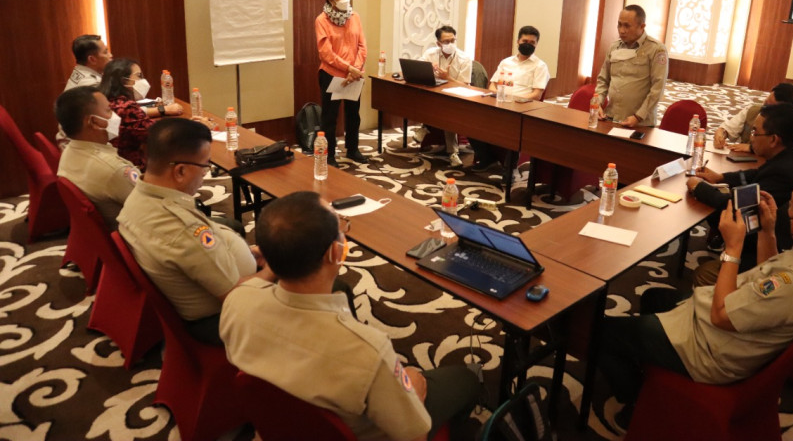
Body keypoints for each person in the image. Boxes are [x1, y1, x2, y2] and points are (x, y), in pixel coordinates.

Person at [598, 166, 793, 428]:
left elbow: (721, 316)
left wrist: (733, 246)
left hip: (712, 350)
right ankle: (652, 378)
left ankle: (635, 408)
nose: (787, 207)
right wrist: (768, 230)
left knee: (603, 333)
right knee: (654, 297)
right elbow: (770, 273)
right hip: (739, 329)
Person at [220, 191, 480, 441]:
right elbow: (413, 436)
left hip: (275, 426)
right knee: (465, 379)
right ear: (335, 252)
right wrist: (413, 388)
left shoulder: (239, 299)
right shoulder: (369, 350)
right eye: (341, 228)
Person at [117, 118, 274, 345]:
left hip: (212, 285)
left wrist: (246, 252)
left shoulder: (142, 192)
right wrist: (275, 268)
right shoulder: (183, 229)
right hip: (223, 318)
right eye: (204, 166)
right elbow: (235, 296)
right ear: (180, 171)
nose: (205, 174)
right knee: (326, 284)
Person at [686, 102, 793, 284]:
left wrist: (696, 186)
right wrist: (720, 177)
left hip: (768, 248)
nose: (751, 138)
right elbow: (756, 174)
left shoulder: (784, 172)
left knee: (703, 273)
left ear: (773, 140)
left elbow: (734, 205)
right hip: (773, 234)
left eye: (755, 132)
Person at [55, 86, 140, 230]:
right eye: (108, 110)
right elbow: (155, 207)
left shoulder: (70, 149)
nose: (115, 115)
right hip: (137, 236)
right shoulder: (114, 170)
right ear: (93, 122)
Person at [470, 25, 550, 172]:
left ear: (536, 45)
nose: (528, 44)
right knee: (471, 121)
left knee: (511, 131)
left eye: (532, 43)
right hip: (499, 103)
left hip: (521, 108)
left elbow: (537, 94)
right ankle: (486, 158)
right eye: (525, 40)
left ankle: (509, 170)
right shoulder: (506, 62)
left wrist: (514, 100)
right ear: (518, 41)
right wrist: (495, 95)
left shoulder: (540, 66)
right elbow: (492, 85)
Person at [316, 0, 368, 166]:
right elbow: (326, 53)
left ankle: (352, 149)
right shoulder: (322, 20)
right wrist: (349, 68)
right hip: (332, 74)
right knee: (330, 117)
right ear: (331, 0)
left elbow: (362, 46)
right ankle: (329, 155)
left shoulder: (355, 16)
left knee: (353, 114)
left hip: (355, 74)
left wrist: (356, 68)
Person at [99, 58, 182, 171]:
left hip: (113, 163)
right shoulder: (126, 108)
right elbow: (160, 135)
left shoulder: (106, 101)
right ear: (124, 81)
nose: (143, 80)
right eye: (139, 76)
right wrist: (195, 125)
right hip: (134, 168)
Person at [594, 5, 668, 127]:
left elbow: (657, 89)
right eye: (619, 24)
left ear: (642, 26)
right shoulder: (614, 47)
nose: (622, 30)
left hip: (640, 122)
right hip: (611, 117)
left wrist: (638, 116)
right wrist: (597, 104)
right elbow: (603, 79)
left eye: (627, 26)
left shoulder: (656, 49)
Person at [413, 25, 473, 167]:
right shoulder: (430, 53)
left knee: (448, 111)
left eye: (453, 40)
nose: (450, 44)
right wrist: (427, 67)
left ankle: (452, 151)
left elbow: (465, 85)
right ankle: (425, 126)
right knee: (417, 95)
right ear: (438, 43)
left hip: (455, 97)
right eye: (446, 42)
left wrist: (448, 78)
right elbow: (417, 69)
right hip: (433, 94)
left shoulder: (464, 58)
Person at [713, 82, 793, 151]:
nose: (765, 107)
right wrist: (722, 133)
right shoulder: (753, 110)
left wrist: (751, 148)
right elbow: (729, 129)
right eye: (766, 102)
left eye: (770, 106)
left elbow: (790, 153)